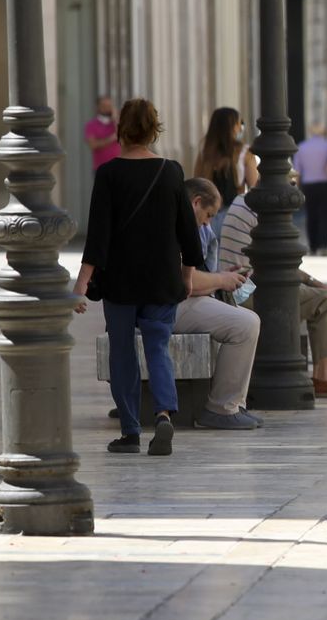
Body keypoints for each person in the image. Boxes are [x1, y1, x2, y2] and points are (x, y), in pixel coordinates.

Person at [74, 99, 204, 456]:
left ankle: (130, 431)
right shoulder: (172, 171)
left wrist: (81, 283)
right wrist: (188, 274)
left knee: (122, 352)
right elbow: (187, 232)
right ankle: (163, 414)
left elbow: (98, 236)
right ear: (154, 130)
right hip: (162, 277)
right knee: (158, 347)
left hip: (121, 280)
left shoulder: (109, 174)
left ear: (121, 131)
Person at [219, 194, 327, 397]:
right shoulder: (264, 207)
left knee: (322, 295)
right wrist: (314, 282)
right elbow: (279, 260)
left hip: (242, 288)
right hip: (249, 291)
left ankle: (326, 375)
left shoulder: (244, 200)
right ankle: (325, 377)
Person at [173, 178, 263, 430]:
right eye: (208, 215)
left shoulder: (187, 226)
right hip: (168, 306)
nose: (207, 222)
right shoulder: (177, 227)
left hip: (180, 301)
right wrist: (221, 279)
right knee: (245, 323)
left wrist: (223, 278)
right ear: (196, 202)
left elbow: (197, 278)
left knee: (243, 319)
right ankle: (221, 408)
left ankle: (234, 404)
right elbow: (185, 280)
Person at [193, 106, 259, 225]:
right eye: (239, 123)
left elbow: (197, 181)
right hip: (236, 214)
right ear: (233, 127)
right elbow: (253, 186)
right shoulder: (244, 152)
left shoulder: (204, 151)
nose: (240, 128)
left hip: (208, 216)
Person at [293, 121, 327, 256]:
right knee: (326, 214)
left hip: (308, 185)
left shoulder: (302, 147)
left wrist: (296, 188)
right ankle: (323, 244)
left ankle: (313, 245)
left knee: (311, 215)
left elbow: (297, 170)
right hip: (326, 184)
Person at [83, 94, 120, 175]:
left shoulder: (116, 123)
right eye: (104, 106)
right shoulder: (91, 125)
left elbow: (122, 136)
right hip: (101, 169)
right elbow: (93, 145)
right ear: (98, 107)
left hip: (119, 168)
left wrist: (115, 119)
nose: (107, 108)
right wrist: (112, 138)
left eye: (109, 106)